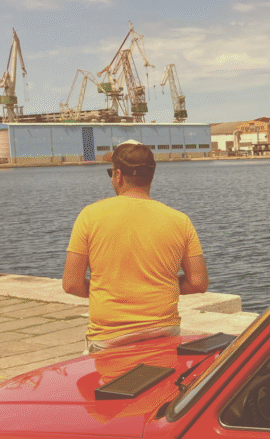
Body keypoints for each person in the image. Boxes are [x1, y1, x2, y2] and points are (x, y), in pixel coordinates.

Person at [62, 141, 208, 353]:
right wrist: (157, 286)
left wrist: (113, 289)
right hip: (164, 331)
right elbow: (198, 283)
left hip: (110, 338)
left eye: (110, 172)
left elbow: (71, 284)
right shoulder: (180, 220)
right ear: (151, 176)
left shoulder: (89, 216)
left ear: (119, 176)